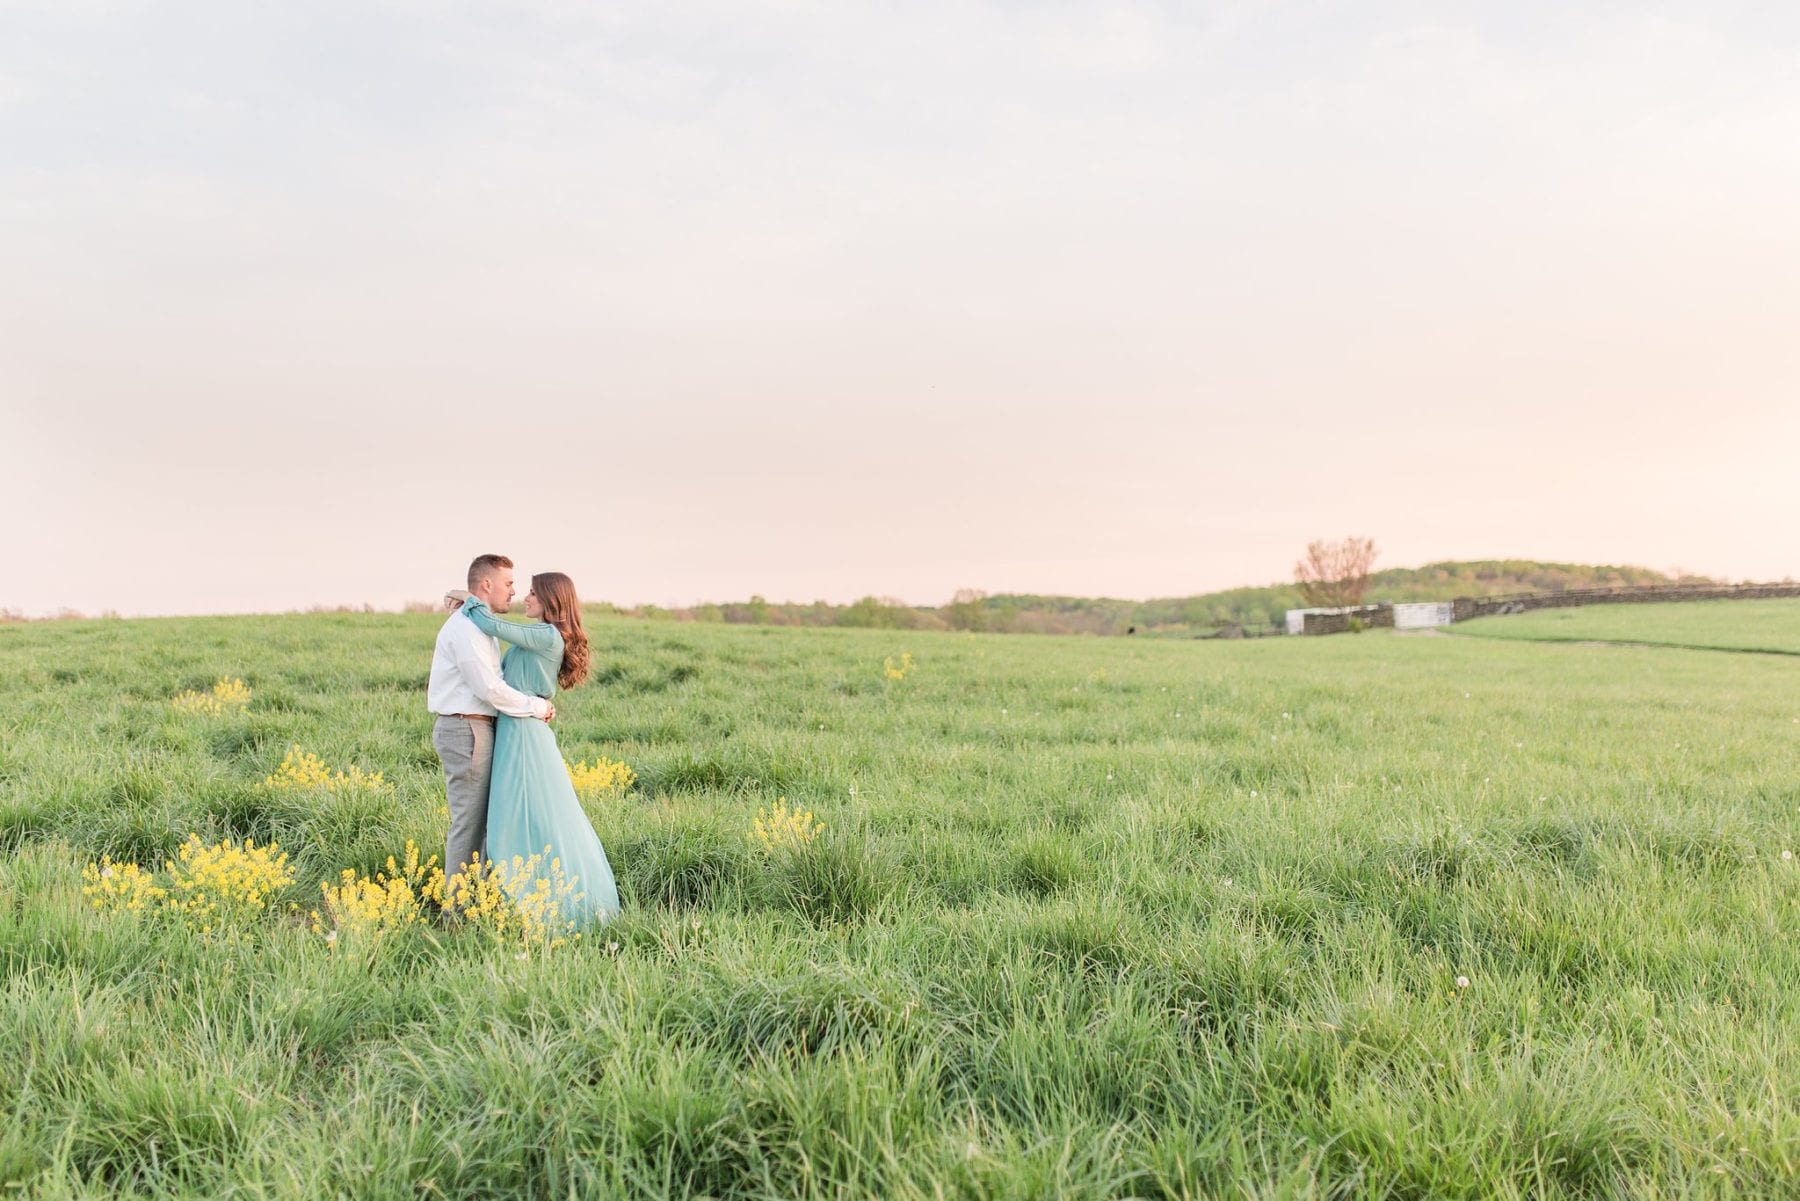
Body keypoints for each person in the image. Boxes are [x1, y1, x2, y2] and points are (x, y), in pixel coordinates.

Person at [453, 571, 621, 928]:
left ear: (549, 600)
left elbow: (489, 622)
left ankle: (554, 900)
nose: (524, 598)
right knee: (526, 814)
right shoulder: (541, 637)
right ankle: (527, 892)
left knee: (531, 816)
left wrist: (462, 597)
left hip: (525, 737)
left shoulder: (546, 635)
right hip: (519, 730)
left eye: (531, 593)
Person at [427, 554, 555, 899]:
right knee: (469, 825)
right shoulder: (467, 630)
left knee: (483, 823)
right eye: (509, 583)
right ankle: (458, 909)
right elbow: (489, 689)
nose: (513, 591)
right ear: (487, 585)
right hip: (466, 730)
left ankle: (477, 900)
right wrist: (538, 707)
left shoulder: (477, 623)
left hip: (476, 728)